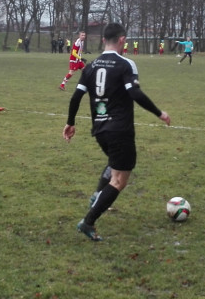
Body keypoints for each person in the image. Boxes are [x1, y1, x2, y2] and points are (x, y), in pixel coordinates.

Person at [63, 23, 170, 241]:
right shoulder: (125, 64)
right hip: (120, 129)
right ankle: (88, 221)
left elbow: (76, 97)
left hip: (100, 129)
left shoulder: (90, 66)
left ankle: (97, 196)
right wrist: (159, 113)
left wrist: (70, 122)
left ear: (104, 40)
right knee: (120, 179)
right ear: (122, 40)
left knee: (114, 163)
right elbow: (135, 93)